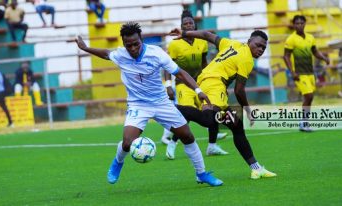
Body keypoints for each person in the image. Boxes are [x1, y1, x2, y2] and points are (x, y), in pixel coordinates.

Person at [75, 22, 223, 186]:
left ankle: (201, 174)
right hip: (138, 105)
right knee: (127, 143)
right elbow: (105, 53)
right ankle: (118, 162)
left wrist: (198, 91)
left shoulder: (156, 53)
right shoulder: (121, 55)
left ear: (141, 40)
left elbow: (179, 73)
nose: (132, 48)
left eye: (136, 44)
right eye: (128, 45)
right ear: (124, 44)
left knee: (187, 136)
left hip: (161, 103)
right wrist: (85, 48)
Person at [169, 28, 277, 179]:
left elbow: (207, 35)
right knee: (208, 120)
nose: (260, 50)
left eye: (263, 48)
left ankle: (256, 168)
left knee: (236, 125)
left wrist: (185, 33)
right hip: (215, 84)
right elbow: (239, 91)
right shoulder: (247, 59)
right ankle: (172, 109)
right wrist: (248, 110)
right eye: (258, 45)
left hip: (205, 80)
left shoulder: (231, 43)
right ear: (249, 41)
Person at [164, 10, 228, 160]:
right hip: (183, 85)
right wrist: (168, 85)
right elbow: (167, 66)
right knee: (186, 114)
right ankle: (172, 143)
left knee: (212, 108)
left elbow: (204, 62)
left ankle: (212, 145)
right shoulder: (174, 44)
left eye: (190, 23)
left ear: (195, 24)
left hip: (200, 82)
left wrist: (209, 78)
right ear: (181, 26)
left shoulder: (202, 41)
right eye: (185, 24)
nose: (188, 25)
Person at [283, 15, 329, 132]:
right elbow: (286, 56)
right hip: (299, 73)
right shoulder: (291, 39)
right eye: (297, 23)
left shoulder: (310, 38)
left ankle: (304, 122)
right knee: (309, 96)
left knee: (309, 98)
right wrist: (292, 72)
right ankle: (303, 123)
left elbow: (315, 51)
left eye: (301, 23)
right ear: (293, 25)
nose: (299, 25)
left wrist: (324, 58)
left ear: (305, 24)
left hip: (310, 72)